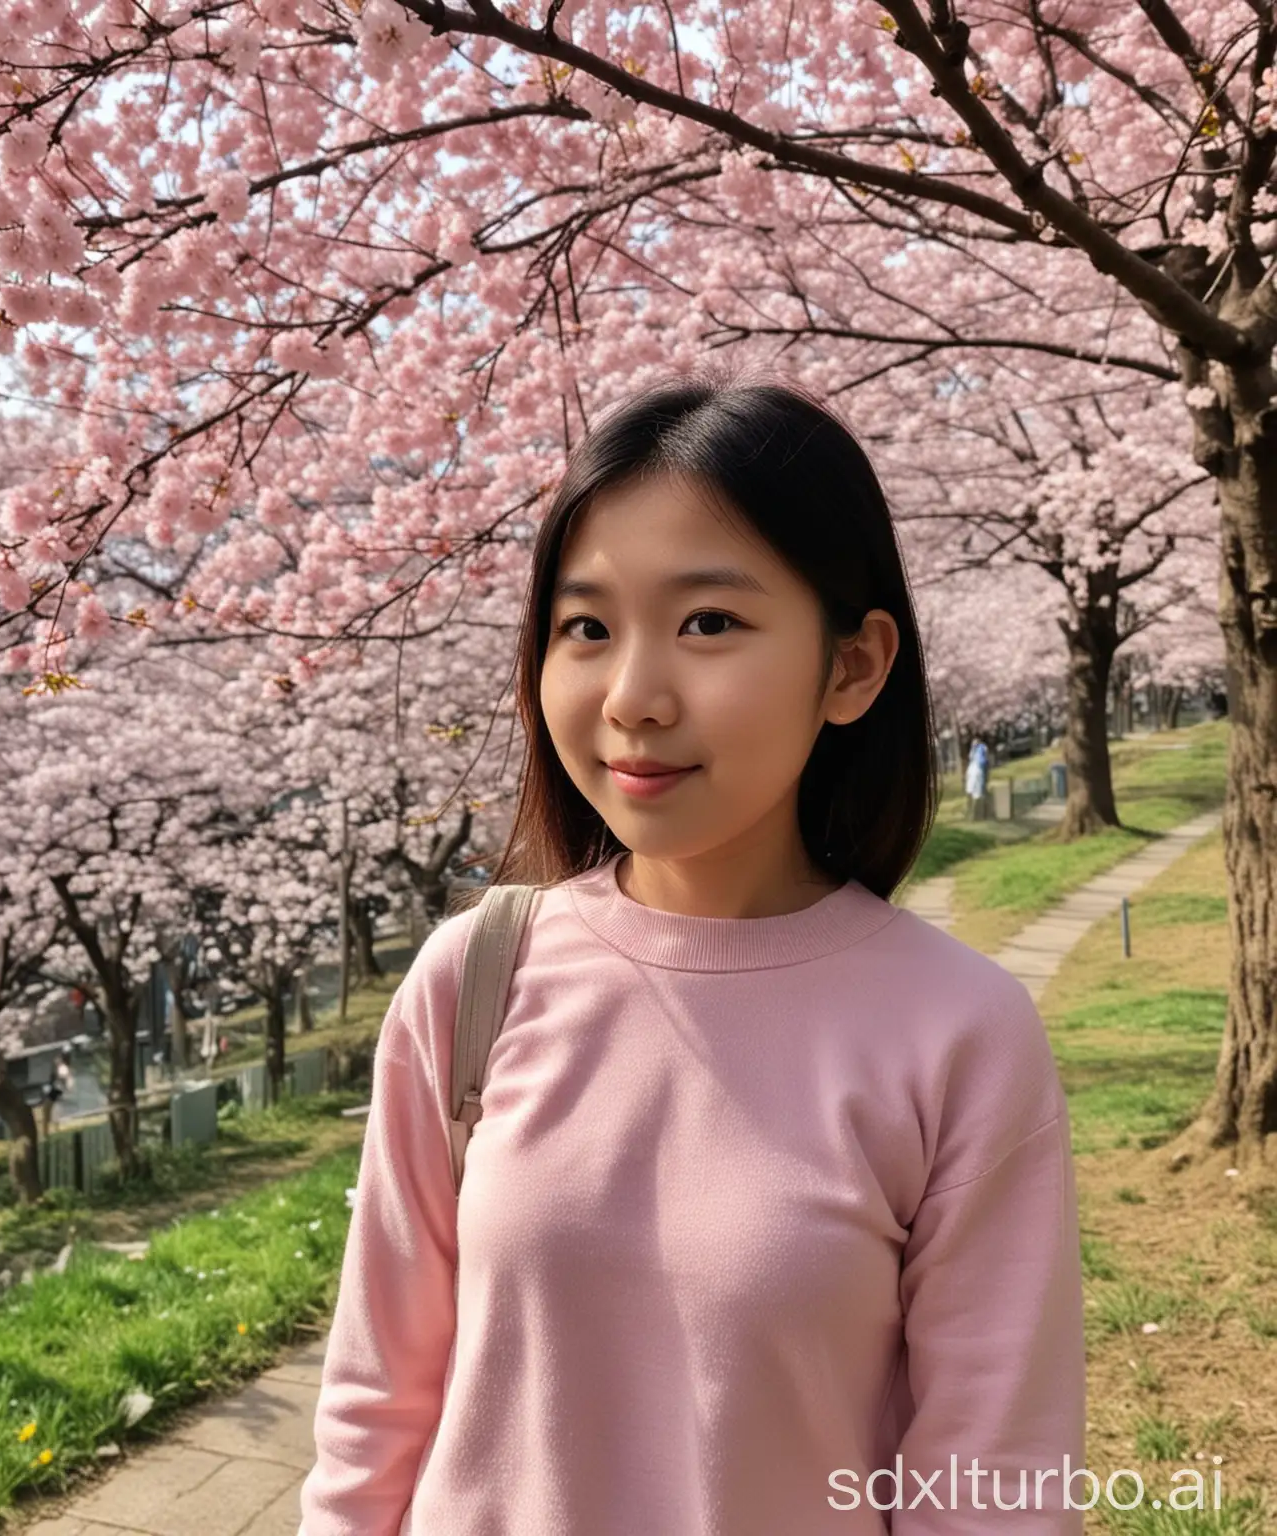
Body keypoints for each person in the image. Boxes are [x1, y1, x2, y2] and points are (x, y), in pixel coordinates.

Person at [298, 377, 1086, 1535]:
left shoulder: (958, 1032)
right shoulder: (475, 980)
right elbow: (374, 1410)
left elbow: (993, 1490)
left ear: (854, 667)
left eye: (709, 622)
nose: (633, 697)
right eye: (586, 629)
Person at [965, 736, 990, 819]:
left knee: (978, 793)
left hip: (978, 772)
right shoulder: (975, 751)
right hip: (975, 772)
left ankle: (977, 813)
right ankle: (973, 812)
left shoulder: (982, 748)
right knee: (973, 791)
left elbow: (983, 760)